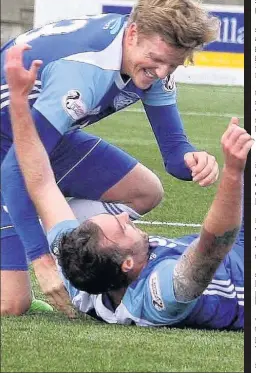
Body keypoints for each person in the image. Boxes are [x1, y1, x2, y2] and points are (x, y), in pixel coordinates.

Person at [1, 0, 220, 317]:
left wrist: (195, 161)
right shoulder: (85, 72)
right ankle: (33, 234)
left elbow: (175, 153)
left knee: (146, 192)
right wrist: (42, 261)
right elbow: (16, 165)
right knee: (12, 305)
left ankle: (60, 238)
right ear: (132, 34)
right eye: (157, 61)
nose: (162, 73)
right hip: (9, 150)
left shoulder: (148, 54)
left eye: (172, 66)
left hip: (47, 137)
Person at [6, 44, 252, 329]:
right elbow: (212, 247)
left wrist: (19, 103)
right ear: (127, 264)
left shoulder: (78, 260)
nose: (124, 216)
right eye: (121, 227)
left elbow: (42, 182)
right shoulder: (160, 295)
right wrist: (234, 172)